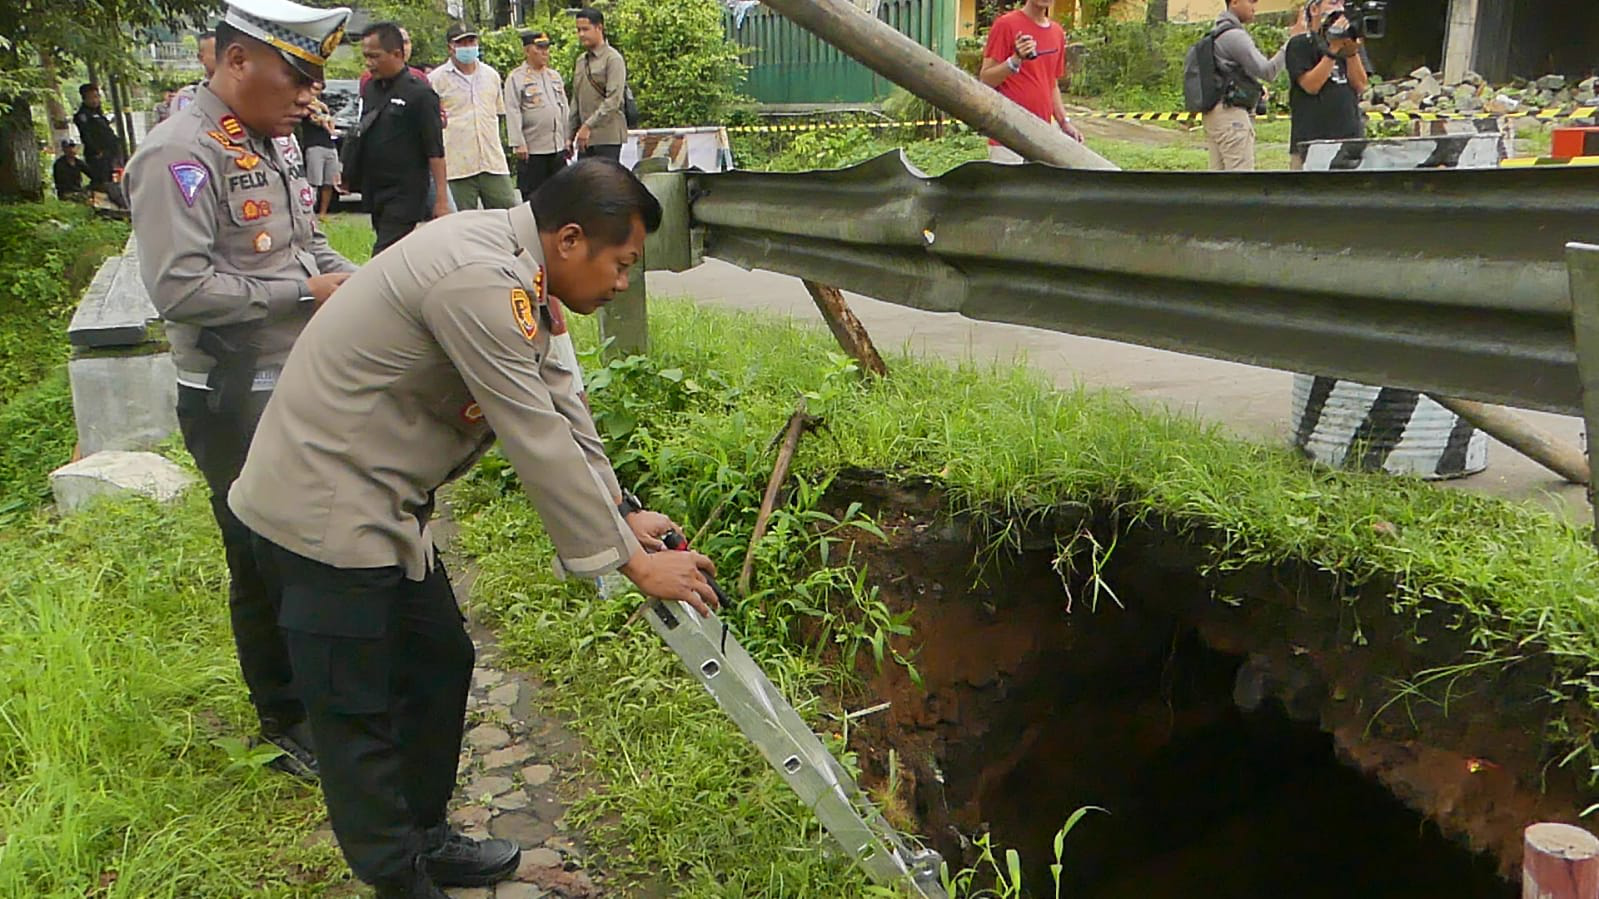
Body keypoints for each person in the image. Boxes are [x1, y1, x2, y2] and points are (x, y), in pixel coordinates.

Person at [227, 158, 719, 899]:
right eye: (620, 265)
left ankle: (427, 838)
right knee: (357, 713)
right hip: (321, 511)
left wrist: (620, 513)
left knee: (438, 662)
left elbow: (561, 401)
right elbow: (529, 431)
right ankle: (398, 879)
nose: (622, 283)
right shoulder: (479, 280)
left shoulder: (522, 271)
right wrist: (632, 565)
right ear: (571, 238)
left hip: (383, 501)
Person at [123, 0, 357, 780]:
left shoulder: (267, 141)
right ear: (234, 63)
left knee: (312, 541)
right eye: (296, 77)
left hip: (294, 377)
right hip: (232, 392)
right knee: (262, 552)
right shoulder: (178, 154)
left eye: (313, 81)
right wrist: (303, 296)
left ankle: (329, 694)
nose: (306, 97)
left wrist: (368, 286)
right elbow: (181, 289)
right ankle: (286, 716)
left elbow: (307, 242)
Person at [357, 21, 451, 254]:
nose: (369, 63)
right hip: (376, 188)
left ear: (397, 54)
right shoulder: (371, 89)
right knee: (392, 251)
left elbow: (435, 151)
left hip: (405, 191)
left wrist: (441, 199)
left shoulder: (420, 94)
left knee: (383, 253)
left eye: (375, 57)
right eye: (366, 57)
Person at [978, 0, 1083, 164]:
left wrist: (1064, 122)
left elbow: (1051, 84)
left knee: (1038, 188)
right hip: (1007, 133)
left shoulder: (1057, 33)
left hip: (1042, 135)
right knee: (1009, 189)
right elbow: (986, 79)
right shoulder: (1006, 25)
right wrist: (1015, 60)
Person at [1203, 0, 1300, 171]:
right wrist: (1290, 43)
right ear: (1234, 2)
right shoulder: (1235, 36)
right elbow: (1268, 71)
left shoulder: (1217, 33)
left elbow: (1230, 74)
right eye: (1251, 1)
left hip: (1214, 114)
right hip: (1231, 116)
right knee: (1241, 183)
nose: (1255, 7)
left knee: (1218, 185)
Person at [429, 22, 517, 210]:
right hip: (457, 166)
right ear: (450, 47)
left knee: (507, 216)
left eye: (471, 41)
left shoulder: (491, 75)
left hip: (492, 162)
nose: (468, 47)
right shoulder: (436, 80)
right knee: (463, 224)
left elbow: (498, 113)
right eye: (461, 43)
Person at [1286, 0, 1369, 170]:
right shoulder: (1300, 44)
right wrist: (1332, 51)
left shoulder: (1349, 42)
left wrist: (1351, 52)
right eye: (1332, 3)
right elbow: (1311, 85)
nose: (1339, 9)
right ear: (1315, 9)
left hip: (1349, 140)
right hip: (1312, 142)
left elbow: (1360, 85)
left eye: (1342, 4)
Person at [504, 30, 570, 201]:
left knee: (560, 195)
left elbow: (564, 107)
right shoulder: (516, 78)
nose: (544, 52)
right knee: (534, 197)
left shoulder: (554, 76)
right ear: (527, 51)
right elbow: (512, 109)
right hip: (533, 149)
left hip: (556, 146)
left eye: (546, 48)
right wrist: (518, 143)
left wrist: (567, 137)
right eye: (539, 48)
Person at [569, 7, 627, 161]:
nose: (581, 34)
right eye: (578, 30)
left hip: (607, 138)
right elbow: (576, 99)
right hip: (584, 140)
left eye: (585, 29)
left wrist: (588, 126)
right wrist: (569, 135)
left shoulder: (613, 59)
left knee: (605, 182)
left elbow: (613, 101)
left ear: (599, 28)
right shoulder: (581, 61)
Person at [73, 82, 125, 194]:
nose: (95, 100)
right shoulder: (83, 115)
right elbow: (86, 136)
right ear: (84, 98)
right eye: (91, 97)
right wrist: (97, 151)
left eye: (96, 97)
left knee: (112, 182)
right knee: (101, 183)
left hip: (110, 153)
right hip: (97, 155)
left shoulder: (99, 113)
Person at [299, 80, 340, 218]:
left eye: (318, 89)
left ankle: (323, 213)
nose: (314, 92)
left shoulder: (323, 105)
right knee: (314, 182)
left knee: (329, 182)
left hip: (329, 145)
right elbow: (316, 119)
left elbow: (330, 117)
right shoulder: (304, 105)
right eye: (313, 88)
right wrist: (322, 117)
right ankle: (309, 212)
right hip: (314, 146)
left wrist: (328, 122)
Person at [174, 31, 218, 113]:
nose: (225, 59)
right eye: (217, 54)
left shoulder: (241, 94)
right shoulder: (189, 96)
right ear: (201, 58)